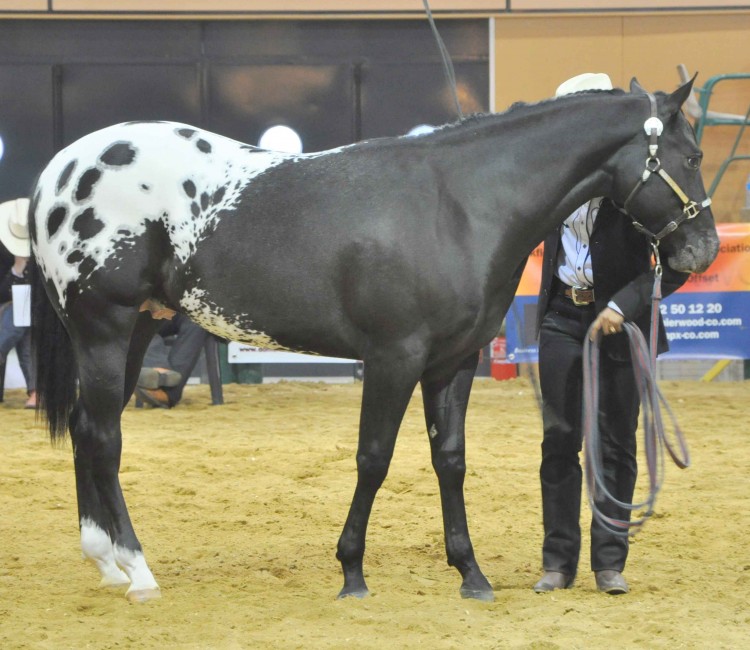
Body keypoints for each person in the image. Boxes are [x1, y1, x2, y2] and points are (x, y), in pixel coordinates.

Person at [532, 73, 690, 595]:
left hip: (620, 327)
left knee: (617, 444)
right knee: (559, 442)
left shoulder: (636, 182)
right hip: (560, 319)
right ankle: (557, 561)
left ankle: (608, 563)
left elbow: (680, 260)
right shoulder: (551, 181)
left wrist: (624, 304)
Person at [0, 198, 36, 409]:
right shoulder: (3, 254)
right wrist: (17, 269)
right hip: (10, 309)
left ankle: (35, 391)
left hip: (42, 310)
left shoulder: (45, 253)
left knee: (21, 317)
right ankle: (35, 391)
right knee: (21, 320)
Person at [135, 312, 210, 409]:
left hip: (165, 311)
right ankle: (167, 388)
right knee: (136, 320)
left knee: (197, 319)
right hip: (135, 314)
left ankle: (163, 384)